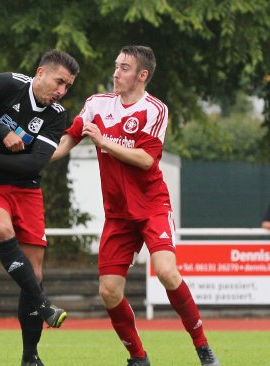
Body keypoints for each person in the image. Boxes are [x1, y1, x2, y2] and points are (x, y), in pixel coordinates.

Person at [52, 45, 220, 366]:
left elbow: (145, 159)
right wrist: (37, 158)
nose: (116, 73)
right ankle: (138, 357)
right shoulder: (96, 104)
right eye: (116, 66)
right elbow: (69, 139)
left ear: (142, 75)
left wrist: (104, 142)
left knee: (168, 273)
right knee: (109, 291)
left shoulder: (155, 109)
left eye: (124, 68)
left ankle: (202, 347)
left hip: (152, 207)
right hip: (118, 216)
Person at [0, 50, 79, 366]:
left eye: (67, 87)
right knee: (2, 228)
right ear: (41, 72)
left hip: (26, 190)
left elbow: (35, 163)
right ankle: (45, 306)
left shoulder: (56, 115)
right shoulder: (7, 84)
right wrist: (2, 131)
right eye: (59, 82)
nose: (61, 91)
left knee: (34, 274)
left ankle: (30, 356)